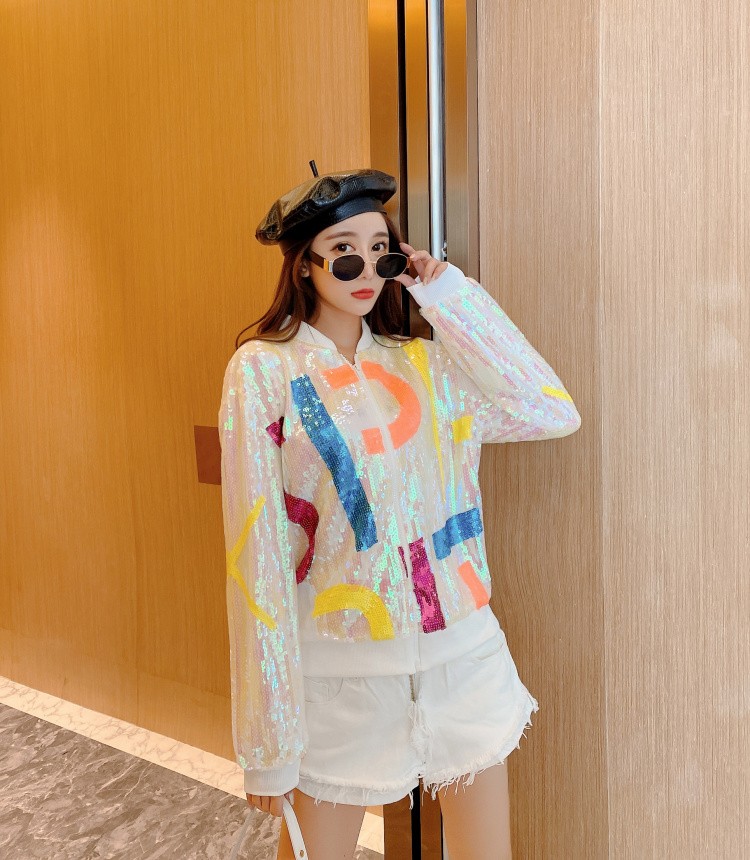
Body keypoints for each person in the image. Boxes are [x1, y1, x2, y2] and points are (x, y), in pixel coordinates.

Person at [218, 168, 581, 860]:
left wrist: (446, 294)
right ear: (303, 266)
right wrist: (269, 740)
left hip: (463, 658)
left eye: (381, 253)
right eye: (344, 253)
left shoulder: (428, 367)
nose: (366, 271)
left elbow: (549, 410)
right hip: (340, 676)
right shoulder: (264, 373)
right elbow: (256, 561)